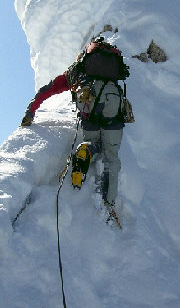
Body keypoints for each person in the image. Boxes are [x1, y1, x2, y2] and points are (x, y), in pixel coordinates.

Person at [20, 38, 130, 209]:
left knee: (93, 142)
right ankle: (109, 203)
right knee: (111, 158)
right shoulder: (113, 70)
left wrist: (30, 111)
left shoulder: (77, 71)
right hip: (112, 109)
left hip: (89, 108)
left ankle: (87, 148)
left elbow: (48, 89)